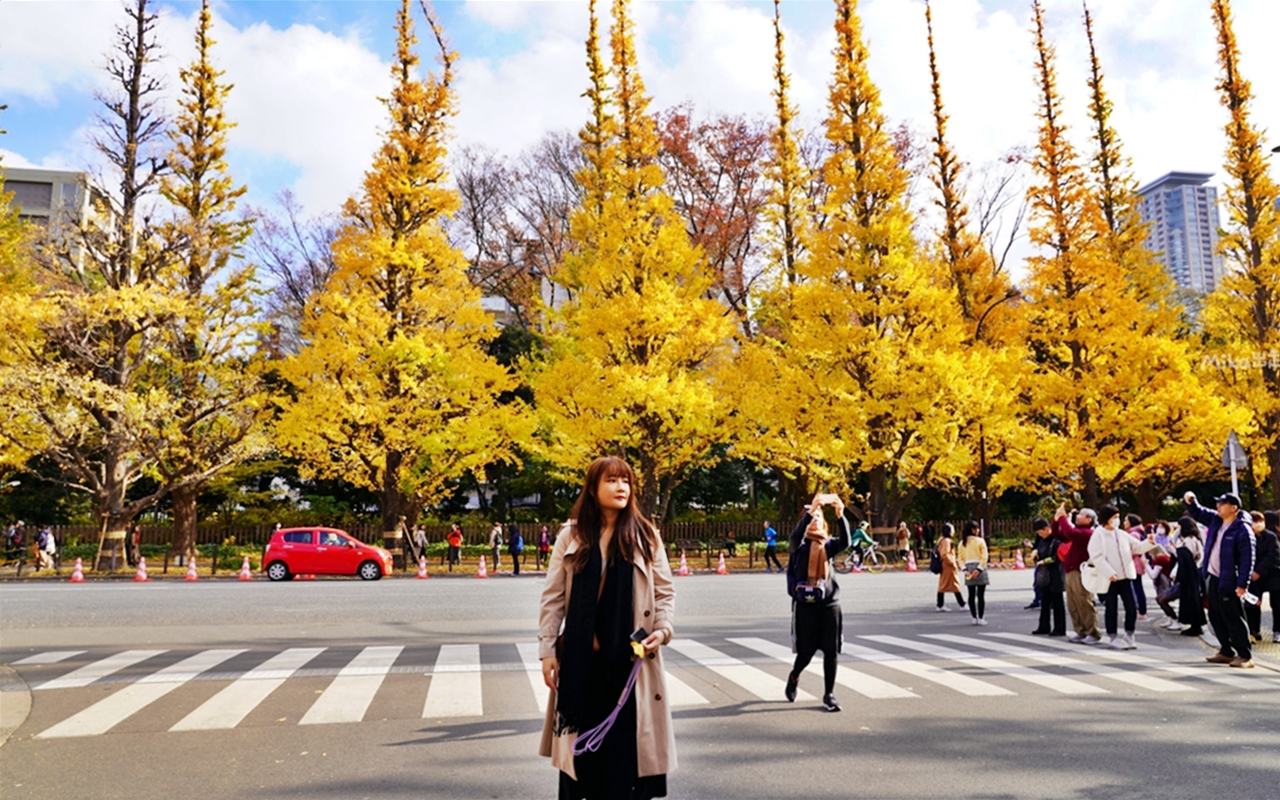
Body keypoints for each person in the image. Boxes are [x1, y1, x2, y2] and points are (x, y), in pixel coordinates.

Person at [538, 456, 675, 800]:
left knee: (626, 758)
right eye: (612, 481)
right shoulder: (572, 536)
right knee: (581, 758)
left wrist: (663, 630)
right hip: (582, 663)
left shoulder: (646, 536)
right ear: (593, 488)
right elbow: (553, 598)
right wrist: (547, 651)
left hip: (630, 664)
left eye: (626, 481)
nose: (621, 488)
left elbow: (664, 593)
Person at [785, 493, 850, 712]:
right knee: (806, 652)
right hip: (806, 606)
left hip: (829, 604)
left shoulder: (829, 546)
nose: (816, 520)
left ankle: (828, 694)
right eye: (813, 517)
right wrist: (811, 511)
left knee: (831, 651)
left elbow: (847, 541)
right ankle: (794, 677)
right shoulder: (799, 547)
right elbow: (794, 538)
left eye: (820, 517)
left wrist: (840, 515)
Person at [1185, 492, 1255, 668]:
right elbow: (1200, 512)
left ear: (1234, 508)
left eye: (1222, 503)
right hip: (1214, 577)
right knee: (1216, 616)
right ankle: (1226, 651)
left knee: (1233, 617)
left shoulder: (1243, 529)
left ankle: (1245, 655)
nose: (1218, 506)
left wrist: (1242, 585)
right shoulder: (1217, 521)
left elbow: (1248, 559)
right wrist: (1192, 501)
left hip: (1230, 580)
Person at [1088, 506, 1154, 650]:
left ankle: (1129, 634)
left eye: (1118, 517)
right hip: (1110, 578)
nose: (1117, 520)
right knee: (1111, 608)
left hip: (1126, 576)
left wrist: (1149, 542)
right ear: (1107, 518)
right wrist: (1109, 572)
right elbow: (1096, 556)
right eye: (1114, 517)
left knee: (1131, 607)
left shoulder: (1121, 534)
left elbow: (1136, 547)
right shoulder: (1098, 534)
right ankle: (1113, 637)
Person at [1052, 504, 1102, 644]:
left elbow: (1069, 532)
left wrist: (1062, 517)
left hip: (1082, 572)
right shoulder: (1077, 532)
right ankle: (1080, 630)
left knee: (1084, 601)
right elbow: (1058, 534)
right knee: (1073, 603)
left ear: (1088, 519)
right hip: (1070, 570)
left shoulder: (1088, 533)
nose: (1077, 517)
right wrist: (1056, 520)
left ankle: (1093, 632)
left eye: (1081, 515)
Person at [1243, 510, 1278, 644]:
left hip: (1272, 573)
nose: (1258, 524)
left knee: (1277, 604)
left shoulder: (1270, 537)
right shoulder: (1246, 536)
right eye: (1255, 521)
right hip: (1252, 576)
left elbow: (1272, 555)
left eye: (1260, 521)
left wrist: (1259, 571)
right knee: (1252, 603)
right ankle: (1253, 630)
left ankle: (1277, 631)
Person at [1170, 516, 1207, 636]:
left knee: (1192, 599)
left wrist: (1174, 550)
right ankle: (1194, 624)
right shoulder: (1190, 539)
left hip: (1190, 572)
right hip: (1190, 572)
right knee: (1189, 598)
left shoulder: (1190, 540)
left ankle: (1195, 625)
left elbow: (1190, 556)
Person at [1030, 518, 1065, 636]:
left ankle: (1059, 628)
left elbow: (1058, 557)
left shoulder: (1057, 540)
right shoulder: (1043, 541)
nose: (1040, 535)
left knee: (1057, 602)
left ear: (1047, 529)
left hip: (1055, 574)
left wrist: (1045, 561)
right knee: (1044, 602)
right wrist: (1035, 553)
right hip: (1045, 575)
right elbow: (1039, 551)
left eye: (1041, 532)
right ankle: (1043, 626)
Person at [958, 521, 989, 626]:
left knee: (971, 595)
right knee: (981, 595)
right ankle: (981, 617)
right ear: (973, 530)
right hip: (980, 566)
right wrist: (979, 569)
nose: (978, 530)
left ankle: (973, 617)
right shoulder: (980, 541)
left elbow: (960, 558)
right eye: (977, 528)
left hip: (968, 567)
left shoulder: (962, 543)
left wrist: (964, 570)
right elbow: (984, 557)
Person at [1124, 514, 1150, 621]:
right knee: (1137, 587)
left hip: (1134, 564)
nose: (1124, 522)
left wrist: (1124, 554)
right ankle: (1141, 611)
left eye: (1126, 520)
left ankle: (1141, 612)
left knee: (1136, 588)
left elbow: (1135, 550)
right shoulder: (1136, 532)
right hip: (1137, 564)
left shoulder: (1133, 534)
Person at [934, 523, 965, 612]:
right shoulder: (947, 541)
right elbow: (945, 554)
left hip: (944, 564)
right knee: (955, 584)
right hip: (948, 565)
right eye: (952, 529)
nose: (953, 531)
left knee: (943, 585)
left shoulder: (941, 539)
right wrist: (952, 562)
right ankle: (962, 604)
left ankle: (940, 604)